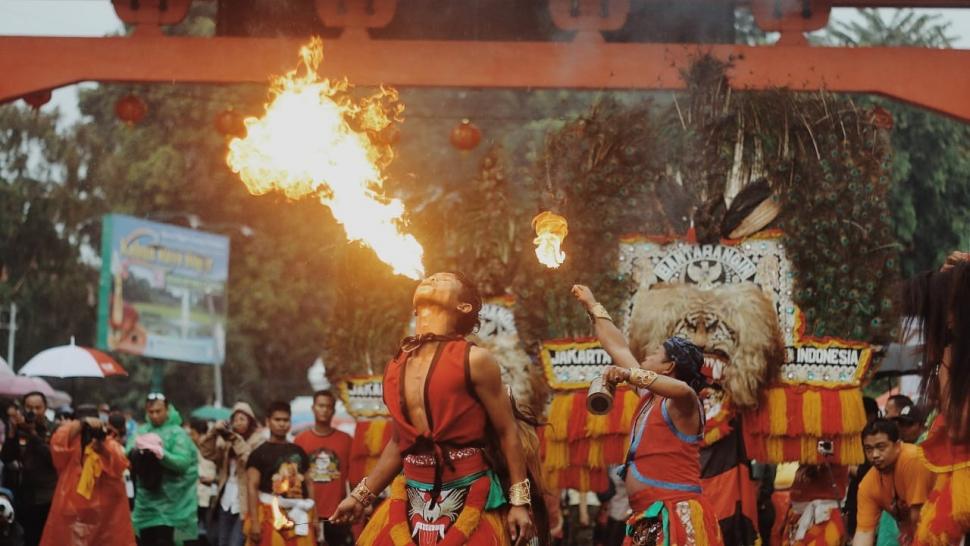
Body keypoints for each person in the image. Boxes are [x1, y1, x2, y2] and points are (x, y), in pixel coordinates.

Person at [331, 271, 536, 546]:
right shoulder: (396, 364)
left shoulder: (476, 360)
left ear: (464, 306)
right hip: (412, 499)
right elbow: (399, 442)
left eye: (443, 279)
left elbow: (507, 431)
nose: (431, 279)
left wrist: (520, 503)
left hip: (471, 493)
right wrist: (360, 497)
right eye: (431, 277)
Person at [571, 284, 724, 546]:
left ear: (669, 366)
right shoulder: (649, 397)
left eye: (655, 353)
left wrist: (629, 374)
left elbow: (682, 389)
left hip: (676, 514)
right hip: (645, 517)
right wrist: (592, 304)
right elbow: (617, 347)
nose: (647, 355)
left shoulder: (685, 403)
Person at [38, 404, 135, 546]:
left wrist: (102, 447)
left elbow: (120, 464)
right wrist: (81, 424)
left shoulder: (107, 442)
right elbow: (57, 444)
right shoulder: (70, 440)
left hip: (103, 512)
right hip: (73, 507)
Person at [127, 393, 199, 546]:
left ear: (167, 410)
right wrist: (137, 450)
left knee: (164, 542)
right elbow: (127, 456)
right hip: (146, 503)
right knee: (144, 541)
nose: (154, 415)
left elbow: (183, 463)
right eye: (150, 412)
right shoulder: (142, 430)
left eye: (158, 411)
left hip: (172, 505)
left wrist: (161, 454)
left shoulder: (177, 433)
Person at [852, 419, 934, 546]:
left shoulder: (912, 459)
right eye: (868, 449)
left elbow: (918, 518)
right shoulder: (867, 485)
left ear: (897, 445)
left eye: (881, 447)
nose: (874, 455)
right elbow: (863, 533)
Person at [245, 401, 315, 546]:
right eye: (277, 420)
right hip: (270, 514)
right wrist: (255, 522)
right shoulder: (258, 454)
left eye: (286, 420)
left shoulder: (299, 451)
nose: (282, 424)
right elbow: (251, 488)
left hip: (299, 513)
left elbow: (309, 484)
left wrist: (315, 518)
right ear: (268, 422)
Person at [293, 391, 352, 546]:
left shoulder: (346, 440)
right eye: (320, 406)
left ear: (333, 410)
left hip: (338, 513)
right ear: (313, 408)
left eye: (328, 406)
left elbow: (354, 478)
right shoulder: (300, 440)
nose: (324, 410)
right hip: (308, 513)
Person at [199, 402, 261, 546]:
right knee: (222, 542)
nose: (238, 423)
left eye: (242, 419)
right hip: (225, 501)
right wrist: (214, 431)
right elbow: (206, 452)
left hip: (245, 504)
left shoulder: (257, 441)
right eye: (235, 419)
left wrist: (233, 438)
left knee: (236, 543)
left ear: (250, 422)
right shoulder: (226, 443)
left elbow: (249, 459)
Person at [0, 392, 57, 546]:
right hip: (24, 496)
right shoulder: (20, 428)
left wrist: (32, 434)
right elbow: (6, 457)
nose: (33, 411)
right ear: (23, 408)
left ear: (45, 408)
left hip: (47, 498)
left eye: (38, 407)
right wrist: (12, 432)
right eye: (29, 407)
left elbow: (53, 458)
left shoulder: (54, 429)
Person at [186, 418, 217, 546]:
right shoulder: (194, 448)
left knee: (207, 529)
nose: (190, 437)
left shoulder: (211, 448)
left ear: (197, 433)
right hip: (199, 494)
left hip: (209, 493)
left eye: (192, 433)